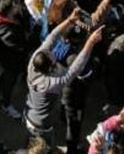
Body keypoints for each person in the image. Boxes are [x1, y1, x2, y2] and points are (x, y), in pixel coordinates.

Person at [25, 10, 103, 145]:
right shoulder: (52, 84)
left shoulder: (34, 63)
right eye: (52, 57)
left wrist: (69, 20)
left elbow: (52, 36)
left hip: (29, 115)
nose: (51, 52)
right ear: (50, 68)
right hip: (42, 126)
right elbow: (74, 69)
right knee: (44, 149)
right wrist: (91, 42)